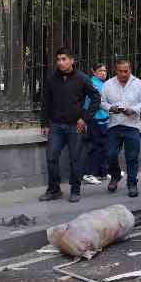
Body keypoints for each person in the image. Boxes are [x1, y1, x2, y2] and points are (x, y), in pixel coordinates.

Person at [39, 48, 101, 204]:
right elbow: (46, 102)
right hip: (56, 126)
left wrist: (85, 118)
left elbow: (95, 98)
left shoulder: (82, 78)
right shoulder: (52, 78)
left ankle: (75, 190)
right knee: (51, 157)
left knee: (75, 159)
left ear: (72, 60)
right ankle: (54, 190)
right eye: (58, 59)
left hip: (76, 126)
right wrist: (45, 123)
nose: (60, 62)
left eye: (64, 59)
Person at [101, 59, 141, 197]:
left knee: (132, 157)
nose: (123, 74)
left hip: (132, 126)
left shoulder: (138, 84)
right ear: (115, 70)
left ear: (130, 69)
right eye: (120, 71)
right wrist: (111, 108)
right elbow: (102, 102)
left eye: (126, 71)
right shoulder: (108, 84)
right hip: (114, 125)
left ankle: (132, 183)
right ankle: (115, 175)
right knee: (110, 154)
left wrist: (133, 110)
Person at [82, 63, 110, 186]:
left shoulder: (103, 84)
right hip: (94, 119)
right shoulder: (93, 84)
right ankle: (88, 174)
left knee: (103, 146)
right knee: (95, 147)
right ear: (94, 72)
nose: (103, 73)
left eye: (105, 70)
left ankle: (102, 172)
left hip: (103, 119)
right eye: (100, 71)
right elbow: (95, 102)